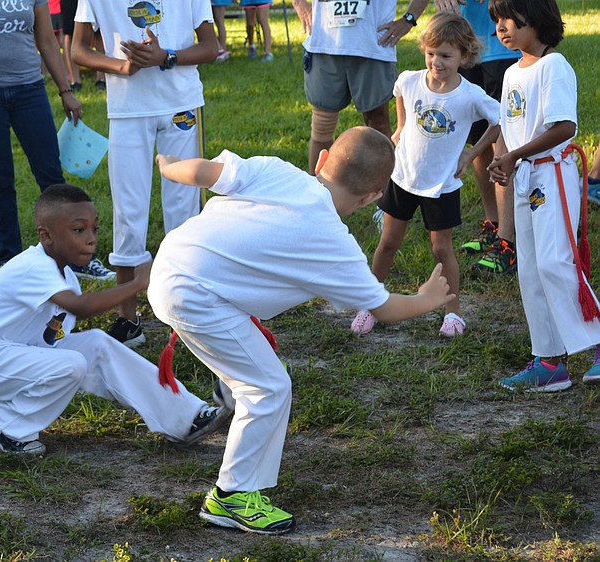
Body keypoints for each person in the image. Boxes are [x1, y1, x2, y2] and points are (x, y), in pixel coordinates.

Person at [148, 127, 456, 534]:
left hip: (173, 264)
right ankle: (232, 497)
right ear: (371, 198)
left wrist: (169, 167)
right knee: (269, 389)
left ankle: (232, 386)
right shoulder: (334, 244)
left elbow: (204, 172)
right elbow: (381, 307)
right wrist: (427, 300)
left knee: (253, 373)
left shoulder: (277, 170)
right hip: (196, 296)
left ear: (323, 159)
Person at [0, 184, 230, 454]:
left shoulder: (66, 276)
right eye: (78, 229)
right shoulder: (33, 266)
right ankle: (5, 422)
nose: (91, 238)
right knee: (72, 363)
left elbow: (54, 333)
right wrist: (137, 283)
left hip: (18, 355)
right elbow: (80, 308)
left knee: (97, 343)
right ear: (46, 236)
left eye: (94, 229)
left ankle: (186, 418)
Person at [72, 0, 218, 347]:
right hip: (127, 111)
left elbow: (210, 47)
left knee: (184, 212)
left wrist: (166, 56)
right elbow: (78, 49)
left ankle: (185, 313)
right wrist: (119, 67)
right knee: (129, 211)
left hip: (181, 107)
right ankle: (128, 318)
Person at [0, 0, 114, 279]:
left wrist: (65, 89)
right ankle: (9, 262)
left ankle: (76, 258)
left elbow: (46, 40)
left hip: (29, 91)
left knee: (51, 177)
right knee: (0, 181)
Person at [350, 12, 500, 338]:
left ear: (465, 56)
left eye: (446, 56)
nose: (437, 62)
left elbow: (499, 121)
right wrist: (402, 126)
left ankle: (454, 313)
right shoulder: (409, 79)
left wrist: (472, 153)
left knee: (441, 250)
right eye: (431, 54)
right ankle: (370, 302)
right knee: (388, 242)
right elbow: (400, 93)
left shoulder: (470, 95)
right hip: (402, 178)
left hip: (442, 185)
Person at [486, 0, 600, 391]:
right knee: (531, 269)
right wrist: (502, 159)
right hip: (524, 178)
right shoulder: (510, 72)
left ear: (535, 18)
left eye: (508, 19)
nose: (502, 28)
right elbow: (506, 125)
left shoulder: (555, 67)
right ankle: (550, 361)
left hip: (553, 174)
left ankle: (598, 341)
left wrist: (516, 155)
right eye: (496, 22)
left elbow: (564, 126)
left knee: (555, 261)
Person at [291, 0, 429, 174]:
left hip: (373, 44)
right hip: (325, 42)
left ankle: (386, 196)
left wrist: (408, 19)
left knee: (378, 124)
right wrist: (299, 4)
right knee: (322, 124)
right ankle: (317, 195)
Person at [435, 0, 521, 276]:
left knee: (503, 142)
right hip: (467, 44)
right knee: (476, 141)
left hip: (504, 46)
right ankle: (492, 224)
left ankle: (508, 242)